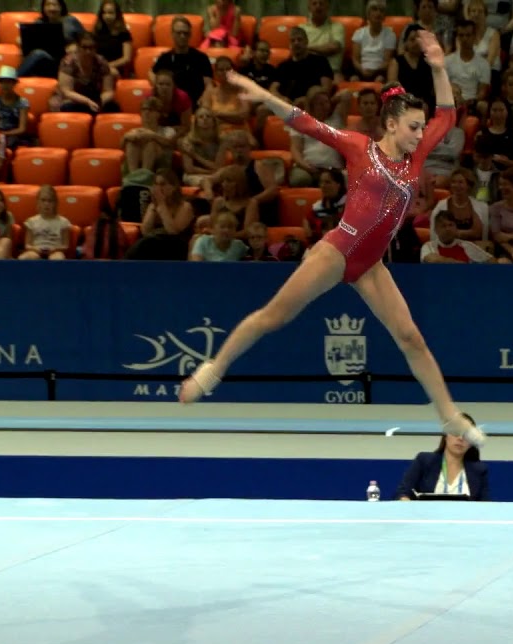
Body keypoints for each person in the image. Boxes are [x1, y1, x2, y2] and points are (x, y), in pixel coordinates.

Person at [177, 31, 486, 448]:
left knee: (410, 337)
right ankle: (212, 371)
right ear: (391, 123)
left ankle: (449, 416)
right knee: (274, 316)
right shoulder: (359, 147)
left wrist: (437, 66)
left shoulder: (417, 154)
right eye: (413, 126)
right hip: (337, 251)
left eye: (420, 126)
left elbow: (447, 117)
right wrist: (259, 92)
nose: (419, 133)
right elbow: (303, 120)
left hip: (372, 265)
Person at [396, 412, 490, 500]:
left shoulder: (479, 470)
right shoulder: (424, 461)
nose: (460, 438)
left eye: (466, 435)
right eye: (456, 432)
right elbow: (402, 493)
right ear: (446, 435)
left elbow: (485, 507)